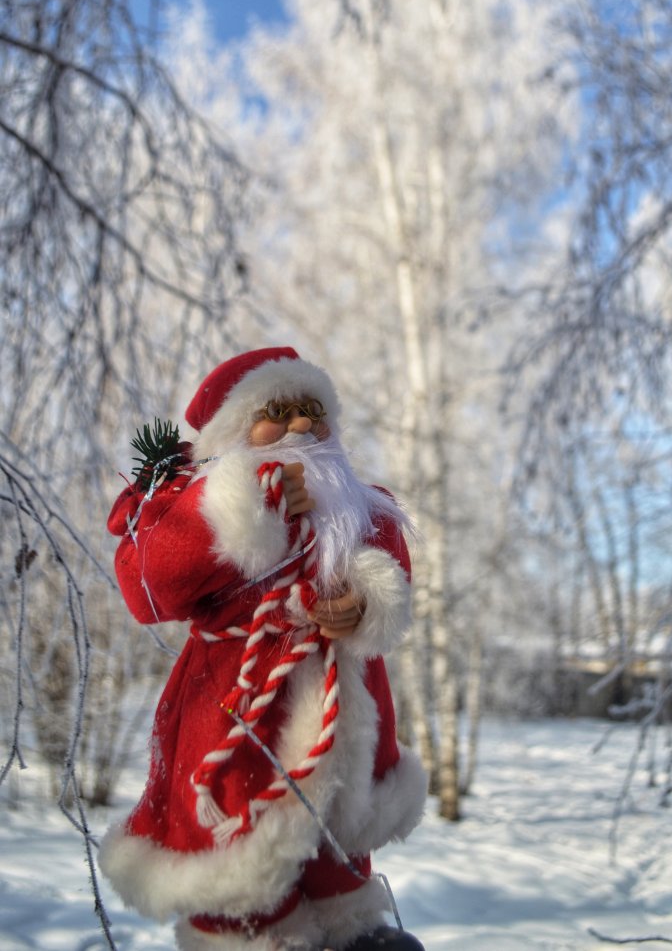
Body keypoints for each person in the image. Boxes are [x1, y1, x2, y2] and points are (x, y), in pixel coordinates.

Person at [100, 347, 428, 951]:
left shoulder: (365, 507)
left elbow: (392, 577)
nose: (302, 426)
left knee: (340, 850)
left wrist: (364, 598)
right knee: (241, 859)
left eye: (312, 410)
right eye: (277, 411)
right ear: (234, 434)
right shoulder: (192, 509)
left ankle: (353, 930)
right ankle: (247, 936)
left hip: (344, 719)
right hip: (234, 717)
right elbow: (151, 590)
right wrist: (241, 505)